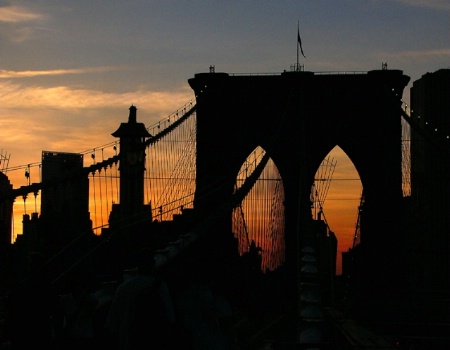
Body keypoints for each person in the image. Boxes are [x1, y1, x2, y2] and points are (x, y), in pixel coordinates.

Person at [104, 248, 176, 350]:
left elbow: (112, 325)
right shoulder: (160, 287)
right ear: (152, 263)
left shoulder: (123, 289)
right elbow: (170, 318)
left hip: (129, 342)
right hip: (155, 342)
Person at [5, 251, 60, 350]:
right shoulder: (47, 287)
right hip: (38, 332)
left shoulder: (23, 288)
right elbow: (55, 311)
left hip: (30, 332)